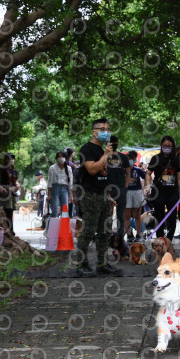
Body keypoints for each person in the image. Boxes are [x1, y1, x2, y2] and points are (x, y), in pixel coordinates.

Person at [75, 118, 121, 276]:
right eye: (102, 129)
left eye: (108, 129)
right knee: (88, 230)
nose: (105, 132)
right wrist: (106, 155)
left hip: (102, 195)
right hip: (89, 195)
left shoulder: (103, 150)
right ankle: (81, 263)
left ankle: (102, 263)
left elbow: (104, 175)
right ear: (94, 131)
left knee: (104, 231)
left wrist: (108, 195)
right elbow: (92, 170)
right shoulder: (86, 149)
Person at [144, 136, 180, 241]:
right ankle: (160, 241)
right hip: (159, 192)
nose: (167, 147)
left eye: (169, 146)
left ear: (173, 146)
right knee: (159, 217)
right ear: (161, 145)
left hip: (173, 193)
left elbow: (179, 178)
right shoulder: (156, 158)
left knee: (171, 218)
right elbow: (148, 174)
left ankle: (169, 241)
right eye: (165, 145)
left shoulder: (176, 159)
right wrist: (147, 186)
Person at [106, 135, 131, 242]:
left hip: (121, 187)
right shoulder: (104, 156)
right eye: (112, 142)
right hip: (108, 188)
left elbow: (128, 173)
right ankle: (108, 237)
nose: (114, 144)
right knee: (108, 213)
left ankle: (120, 237)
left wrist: (125, 186)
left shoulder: (123, 157)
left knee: (121, 214)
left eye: (115, 142)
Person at [0, 153, 19, 232]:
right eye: (9, 158)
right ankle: (8, 230)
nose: (12, 160)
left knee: (11, 211)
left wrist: (17, 185)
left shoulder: (14, 170)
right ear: (6, 160)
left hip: (12, 192)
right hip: (4, 191)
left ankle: (11, 230)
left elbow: (15, 181)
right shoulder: (2, 169)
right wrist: (0, 187)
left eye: (12, 158)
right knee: (7, 211)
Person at [124, 151, 145, 242]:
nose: (129, 161)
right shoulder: (122, 170)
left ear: (134, 160)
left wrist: (146, 187)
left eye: (130, 159)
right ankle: (129, 235)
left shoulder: (138, 170)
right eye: (127, 159)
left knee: (137, 215)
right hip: (126, 193)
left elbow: (147, 177)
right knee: (127, 215)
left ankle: (138, 234)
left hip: (137, 192)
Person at [47, 151, 74, 217]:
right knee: (55, 208)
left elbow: (70, 183)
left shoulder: (68, 169)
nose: (61, 158)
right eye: (59, 156)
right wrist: (49, 195)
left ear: (65, 158)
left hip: (65, 189)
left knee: (65, 209)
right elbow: (50, 182)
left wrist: (71, 196)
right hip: (55, 188)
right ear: (56, 158)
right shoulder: (52, 168)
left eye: (63, 156)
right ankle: (53, 225)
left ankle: (63, 225)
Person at [66, 147, 78, 217]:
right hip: (71, 187)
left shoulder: (63, 163)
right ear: (72, 154)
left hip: (64, 186)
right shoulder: (72, 165)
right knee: (71, 205)